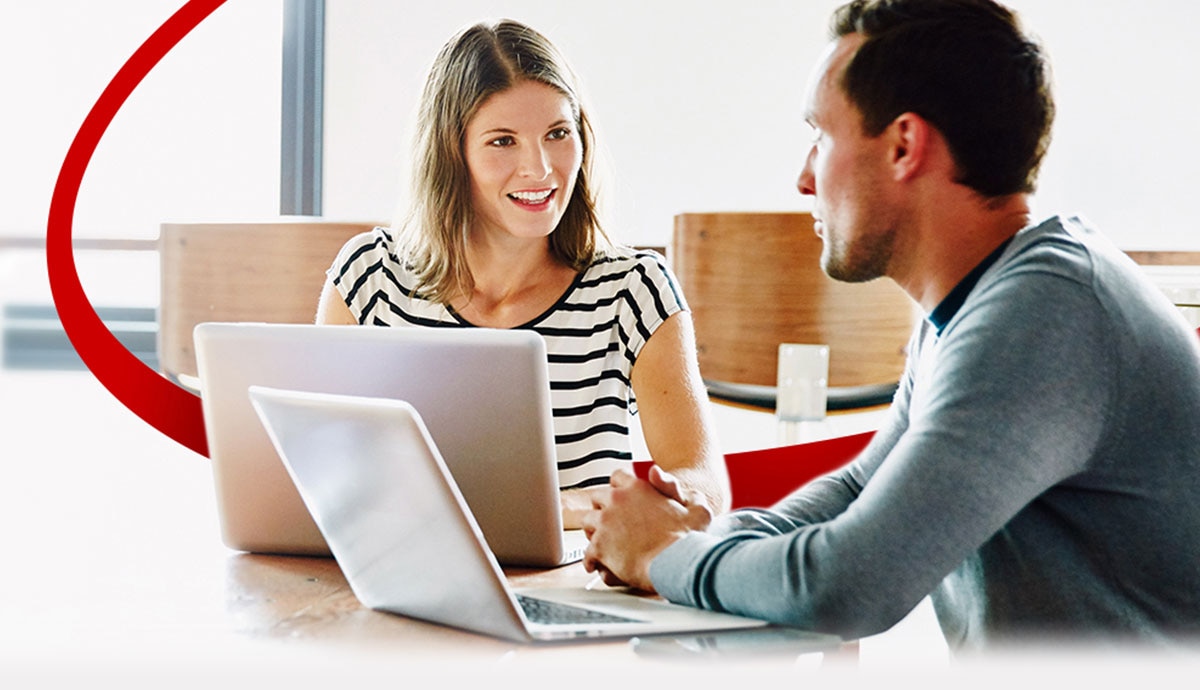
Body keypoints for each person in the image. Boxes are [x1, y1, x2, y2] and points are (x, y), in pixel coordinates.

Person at [581, 0, 1200, 651]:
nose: (803, 178)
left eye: (821, 137)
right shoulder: (978, 303)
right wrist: (694, 545)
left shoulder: (1048, 314)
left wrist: (666, 556)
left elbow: (849, 585)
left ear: (904, 145)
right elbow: (859, 489)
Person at [316, 19, 730, 528]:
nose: (539, 168)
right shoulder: (371, 278)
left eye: (558, 133)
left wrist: (569, 508)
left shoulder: (633, 290)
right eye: (503, 141)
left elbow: (702, 485)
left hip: (576, 571)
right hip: (399, 559)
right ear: (451, 154)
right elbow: (320, 466)